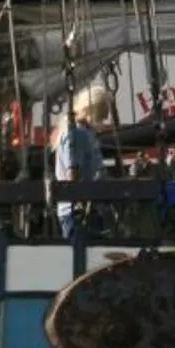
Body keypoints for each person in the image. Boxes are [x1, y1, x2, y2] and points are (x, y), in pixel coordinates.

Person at [54, 87, 110, 243]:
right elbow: (73, 173)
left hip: (85, 208)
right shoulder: (77, 134)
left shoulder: (84, 132)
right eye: (102, 116)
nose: (104, 121)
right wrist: (82, 203)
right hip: (80, 212)